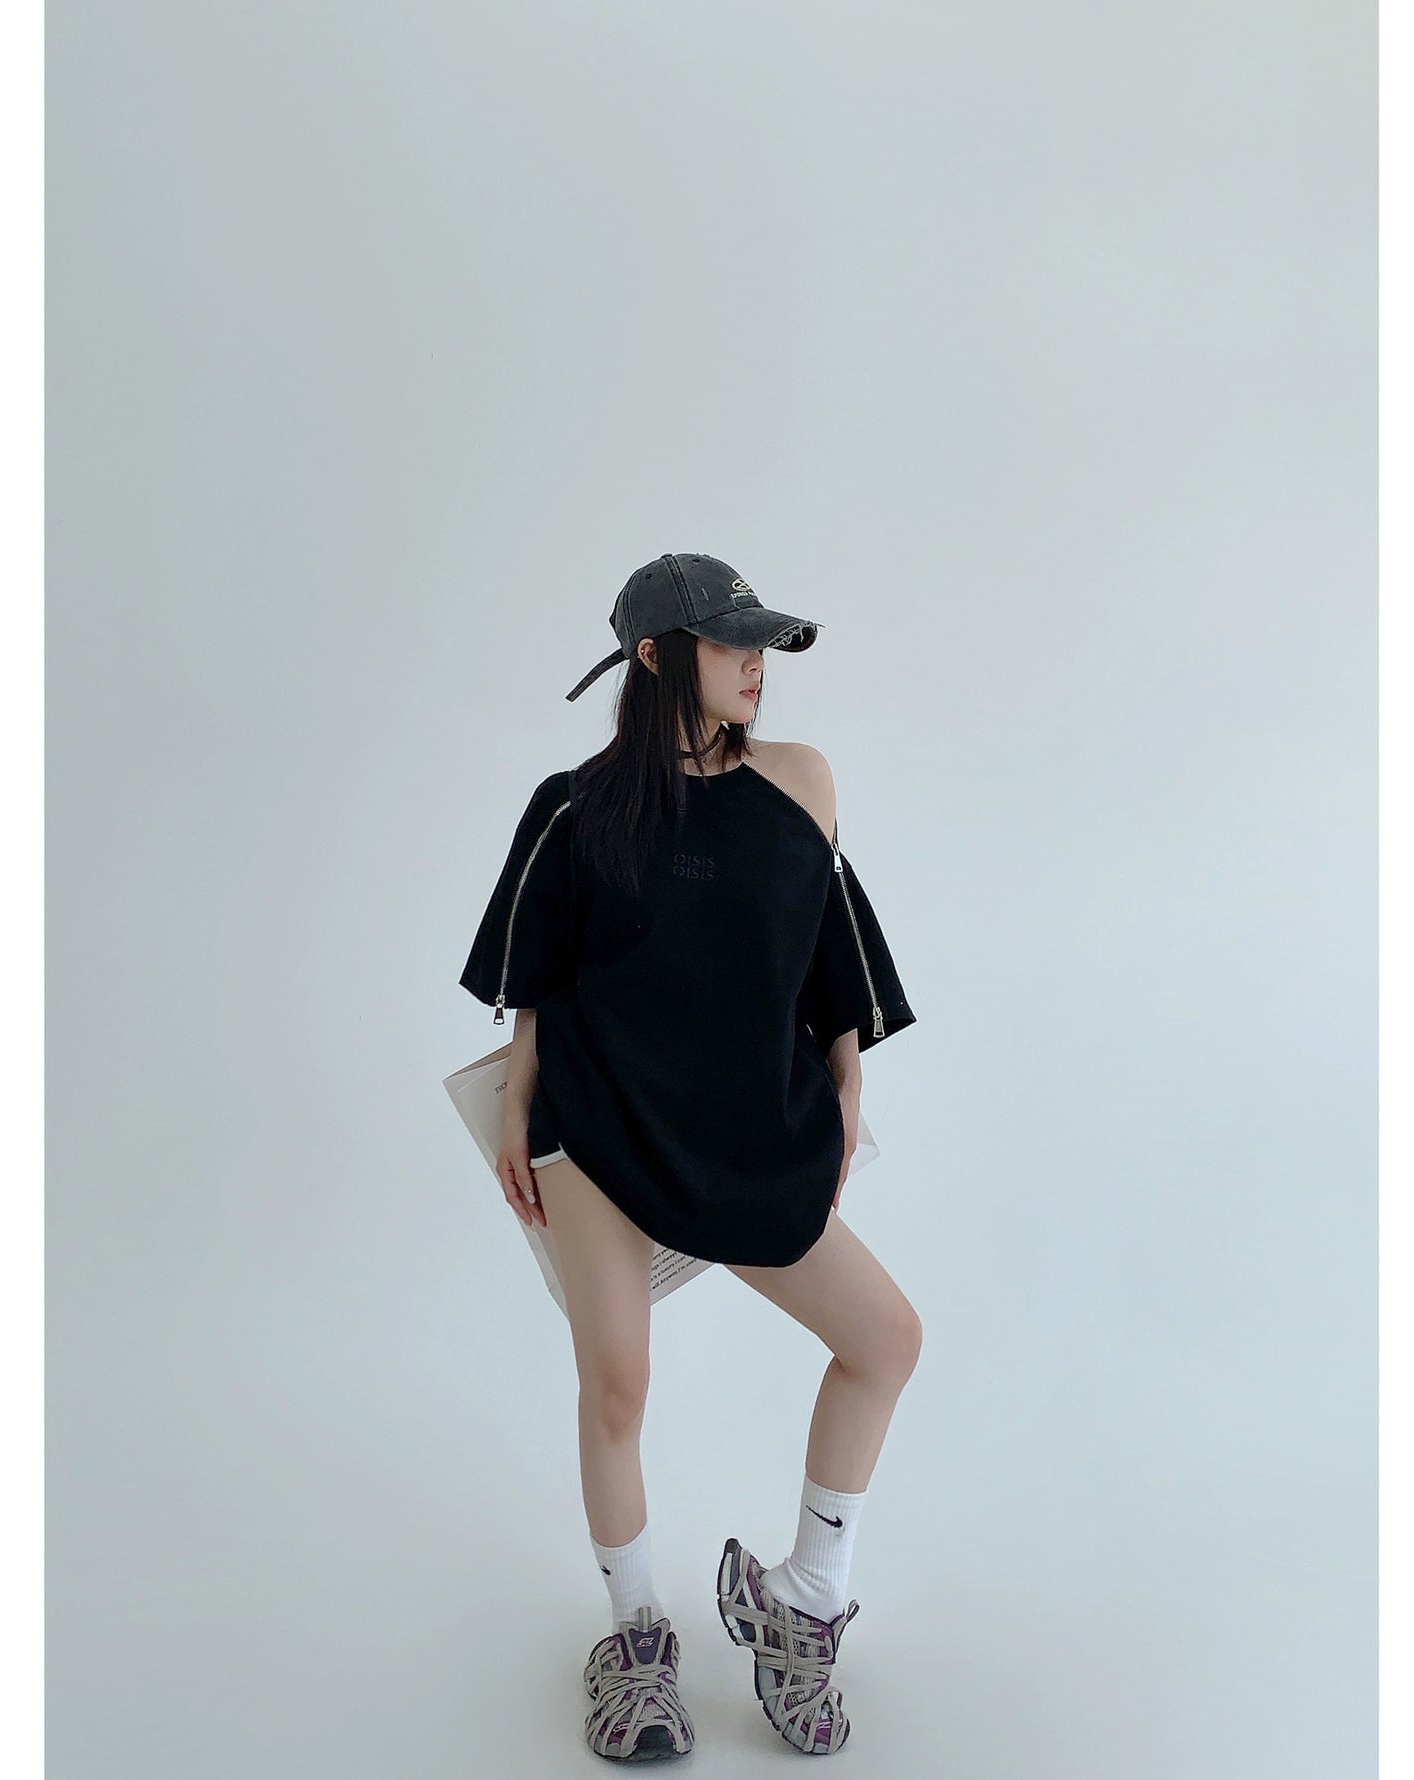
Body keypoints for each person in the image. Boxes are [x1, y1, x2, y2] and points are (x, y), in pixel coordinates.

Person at [458, 553, 921, 1759]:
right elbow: (539, 975)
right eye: (732, 644)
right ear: (658, 657)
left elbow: (828, 948)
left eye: (762, 644)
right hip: (597, 1121)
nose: (757, 665)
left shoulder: (800, 780)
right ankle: (637, 1639)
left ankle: (802, 1600)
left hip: (745, 1126)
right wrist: (516, 1106)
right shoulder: (574, 805)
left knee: (884, 1340)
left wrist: (848, 1078)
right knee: (618, 1383)